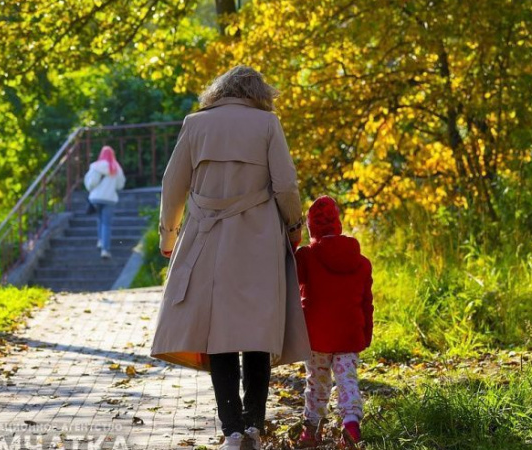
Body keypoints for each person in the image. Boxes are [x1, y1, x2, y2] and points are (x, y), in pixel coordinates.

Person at [151, 65, 311, 450]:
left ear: (219, 91)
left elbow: (173, 185)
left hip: (206, 238)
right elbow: (285, 186)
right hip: (258, 240)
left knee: (217, 335)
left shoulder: (195, 124)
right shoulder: (267, 124)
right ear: (259, 92)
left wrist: (168, 235)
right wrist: (294, 228)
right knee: (257, 334)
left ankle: (232, 431)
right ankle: (254, 426)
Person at [294, 196, 374, 449]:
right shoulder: (361, 262)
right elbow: (367, 304)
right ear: (338, 225)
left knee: (317, 383)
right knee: (347, 380)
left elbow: (290, 284)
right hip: (349, 335)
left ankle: (311, 431)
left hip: (316, 336)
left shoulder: (306, 256)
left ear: (312, 229)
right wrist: (366, 334)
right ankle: (351, 425)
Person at [84, 146, 126, 259]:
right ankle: (105, 250)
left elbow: (91, 183)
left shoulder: (96, 166)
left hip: (96, 198)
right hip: (110, 199)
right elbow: (120, 185)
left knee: (99, 219)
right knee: (106, 223)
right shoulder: (116, 168)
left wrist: (91, 189)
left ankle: (100, 240)